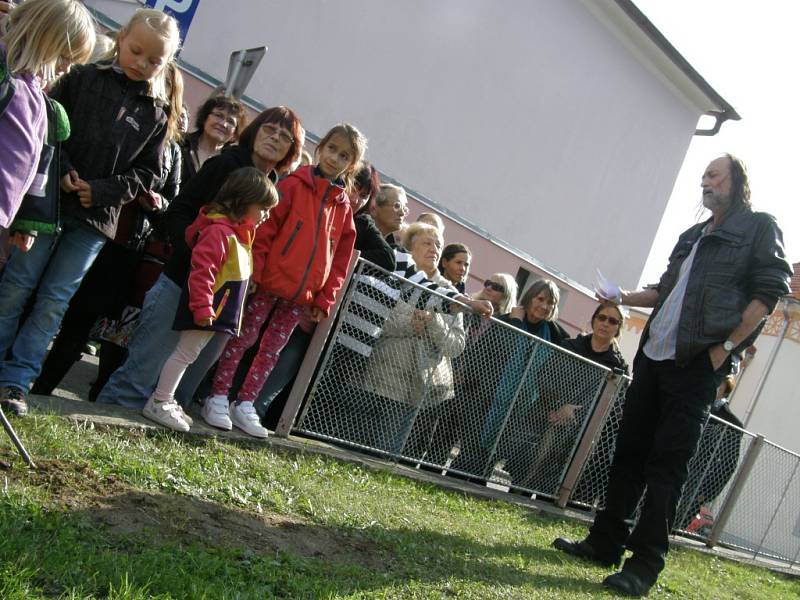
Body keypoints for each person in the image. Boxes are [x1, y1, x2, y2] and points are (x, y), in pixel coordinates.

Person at [553, 154, 793, 597]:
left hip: (698, 364)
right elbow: (665, 289)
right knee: (628, 453)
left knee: (667, 465)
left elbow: (770, 290)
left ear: (737, 182)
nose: (705, 181)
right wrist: (621, 295)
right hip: (654, 357)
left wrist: (724, 349)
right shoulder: (690, 235)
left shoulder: (758, 226)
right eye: (703, 176)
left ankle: (643, 566)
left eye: (714, 175)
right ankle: (605, 543)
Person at [0, 8, 179, 417]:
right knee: (17, 282)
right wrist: (63, 173)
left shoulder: (157, 111)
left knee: (55, 299)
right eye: (136, 51)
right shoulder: (80, 76)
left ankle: (16, 379)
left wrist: (99, 191)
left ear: (166, 64)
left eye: (155, 60)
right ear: (120, 39)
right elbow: (44, 126)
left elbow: (148, 173)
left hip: (96, 220)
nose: (142, 63)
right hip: (48, 203)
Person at [95, 106, 303, 409]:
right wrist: (198, 254)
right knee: (139, 375)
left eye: (285, 137)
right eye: (269, 129)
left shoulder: (275, 188)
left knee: (180, 386)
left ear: (291, 150)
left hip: (223, 299)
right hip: (181, 282)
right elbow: (179, 211)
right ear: (255, 130)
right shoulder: (223, 165)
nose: (274, 138)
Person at [32, 62, 185, 399]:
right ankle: (17, 371)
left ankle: (41, 389)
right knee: (36, 295)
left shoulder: (171, 150)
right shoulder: (103, 99)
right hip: (81, 215)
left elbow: (170, 201)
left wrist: (156, 204)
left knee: (78, 317)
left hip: (120, 244)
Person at [204, 123, 365, 438]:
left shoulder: (343, 207)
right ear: (321, 148)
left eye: (343, 155)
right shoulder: (293, 185)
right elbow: (265, 232)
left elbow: (340, 261)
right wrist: (257, 272)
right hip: (268, 283)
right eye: (332, 149)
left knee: (271, 350)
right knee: (242, 340)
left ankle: (245, 402)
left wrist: (324, 299)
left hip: (302, 295)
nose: (334, 158)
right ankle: (218, 394)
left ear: (351, 165)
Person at [142, 167, 278, 431]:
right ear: (243, 201)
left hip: (214, 312)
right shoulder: (220, 232)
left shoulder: (236, 234)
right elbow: (203, 272)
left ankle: (165, 399)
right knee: (184, 354)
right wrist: (203, 307)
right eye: (263, 208)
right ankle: (160, 400)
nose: (266, 216)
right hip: (206, 312)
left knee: (188, 354)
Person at [360, 222, 465, 454]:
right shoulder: (394, 274)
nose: (434, 248)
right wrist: (410, 322)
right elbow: (377, 316)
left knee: (390, 452)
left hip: (420, 391)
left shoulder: (452, 295)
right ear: (410, 247)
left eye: (438, 244)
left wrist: (433, 321)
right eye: (427, 243)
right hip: (382, 374)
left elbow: (456, 345)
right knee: (360, 441)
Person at [0, 0, 94, 238]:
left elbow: (37, 164)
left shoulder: (40, 101)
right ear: (42, 37)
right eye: (64, 56)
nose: (67, 68)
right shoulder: (6, 76)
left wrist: (27, 223)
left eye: (74, 62)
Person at [479, 279, 569, 484]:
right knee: (474, 454)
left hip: (526, 408)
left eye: (551, 303)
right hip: (490, 399)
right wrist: (517, 324)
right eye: (541, 299)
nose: (545, 306)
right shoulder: (508, 320)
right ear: (530, 297)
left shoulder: (557, 335)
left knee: (506, 452)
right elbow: (493, 352)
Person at [180, 94, 245, 184]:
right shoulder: (180, 143)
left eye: (230, 121)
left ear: (234, 133)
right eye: (219, 115)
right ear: (205, 118)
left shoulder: (232, 164)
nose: (223, 124)